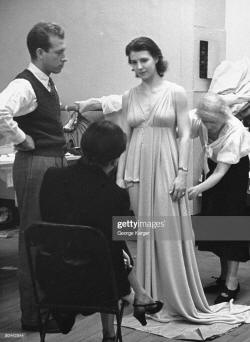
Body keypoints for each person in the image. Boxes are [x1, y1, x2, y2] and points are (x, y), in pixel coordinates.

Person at [40, 120, 163, 341]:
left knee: (106, 239)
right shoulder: (115, 195)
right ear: (116, 158)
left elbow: (51, 226)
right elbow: (127, 238)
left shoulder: (52, 178)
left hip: (52, 275)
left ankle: (139, 296)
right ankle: (131, 303)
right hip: (97, 284)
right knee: (114, 245)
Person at [0, 22, 68, 332]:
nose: (64, 57)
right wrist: (21, 139)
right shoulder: (25, 84)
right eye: (59, 52)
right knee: (34, 239)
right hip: (35, 165)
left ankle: (47, 308)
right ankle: (32, 317)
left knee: (49, 239)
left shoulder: (48, 82)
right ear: (40, 52)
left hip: (51, 162)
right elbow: (1, 111)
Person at [188, 93, 250, 304]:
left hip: (233, 173)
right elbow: (180, 126)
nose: (208, 126)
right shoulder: (202, 118)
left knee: (232, 225)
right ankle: (223, 277)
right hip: (214, 169)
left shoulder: (235, 131)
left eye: (212, 122)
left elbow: (220, 173)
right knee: (216, 223)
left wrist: (196, 189)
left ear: (223, 116)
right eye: (205, 121)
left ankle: (232, 282)